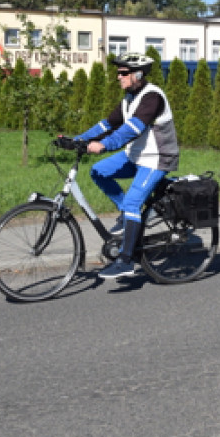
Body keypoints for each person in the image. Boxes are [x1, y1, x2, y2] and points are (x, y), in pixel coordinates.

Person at [73, 52, 180, 278]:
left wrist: (104, 145)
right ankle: (127, 216)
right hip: (136, 156)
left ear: (138, 74)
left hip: (157, 158)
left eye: (123, 73)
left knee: (133, 203)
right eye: (118, 73)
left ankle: (125, 260)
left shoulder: (152, 97)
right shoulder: (129, 99)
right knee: (99, 171)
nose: (118, 77)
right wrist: (79, 139)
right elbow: (107, 124)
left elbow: (131, 129)